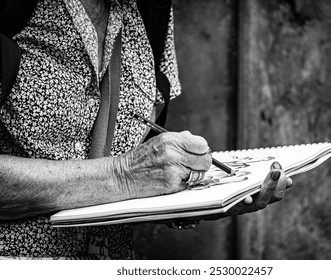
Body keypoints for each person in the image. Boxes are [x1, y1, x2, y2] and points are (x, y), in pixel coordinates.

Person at [0, 0, 293, 259]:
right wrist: (122, 175)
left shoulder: (152, 11)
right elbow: (130, 174)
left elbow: (142, 176)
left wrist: (203, 198)